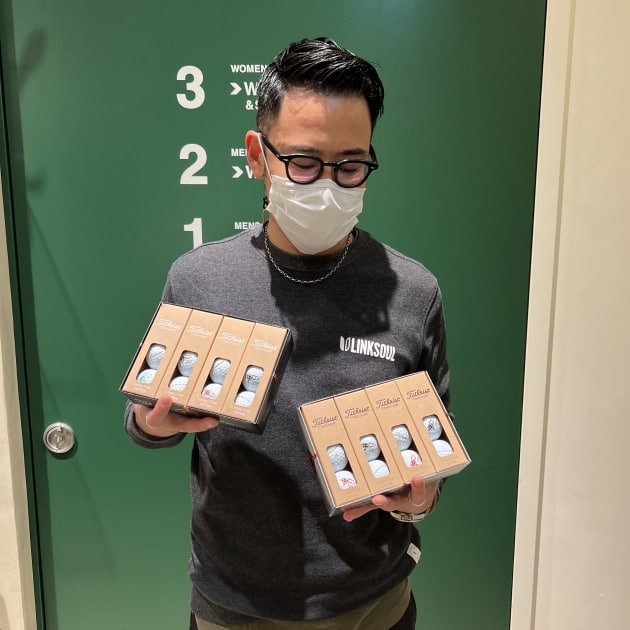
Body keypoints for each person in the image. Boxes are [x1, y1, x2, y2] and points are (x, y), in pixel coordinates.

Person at [125, 36, 451, 630]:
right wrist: (153, 423)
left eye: (350, 165)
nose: (326, 185)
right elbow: (146, 420)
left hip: (371, 603)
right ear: (257, 154)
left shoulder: (413, 292)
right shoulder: (198, 279)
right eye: (302, 162)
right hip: (233, 604)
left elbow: (430, 453)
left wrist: (420, 501)